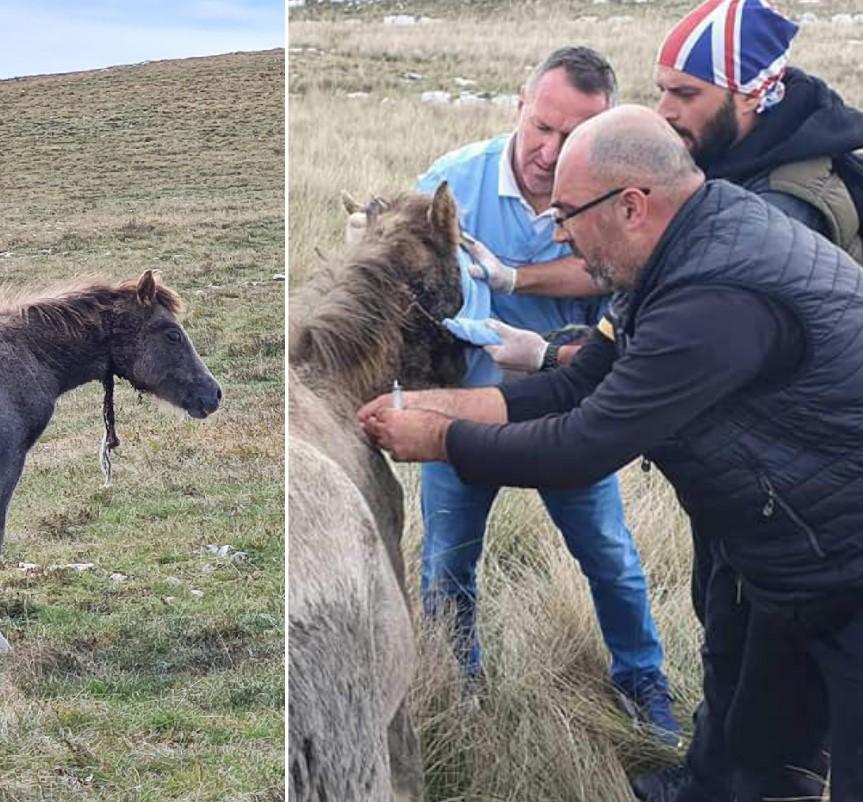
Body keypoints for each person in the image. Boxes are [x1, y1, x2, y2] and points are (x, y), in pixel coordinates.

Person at [359, 104, 863, 802]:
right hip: (784, 559)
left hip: (844, 566)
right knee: (752, 755)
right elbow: (570, 384)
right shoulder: (668, 259)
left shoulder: (712, 300)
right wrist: (425, 408)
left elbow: (582, 446)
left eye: (566, 213)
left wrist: (440, 440)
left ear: (630, 205)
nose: (556, 232)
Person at [410, 46, 679, 745]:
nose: (548, 150)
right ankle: (456, 689)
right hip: (462, 414)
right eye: (541, 127)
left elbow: (610, 273)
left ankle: (640, 677)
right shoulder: (447, 187)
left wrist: (515, 279)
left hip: (571, 415)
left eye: (572, 135)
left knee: (610, 559)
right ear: (518, 107)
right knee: (446, 567)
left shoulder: (610, 190)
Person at [484, 0, 863, 376]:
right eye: (662, 90)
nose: (664, 110)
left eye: (686, 94)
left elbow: (695, 354)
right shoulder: (720, 154)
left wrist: (551, 356)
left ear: (750, 95)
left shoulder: (783, 205)